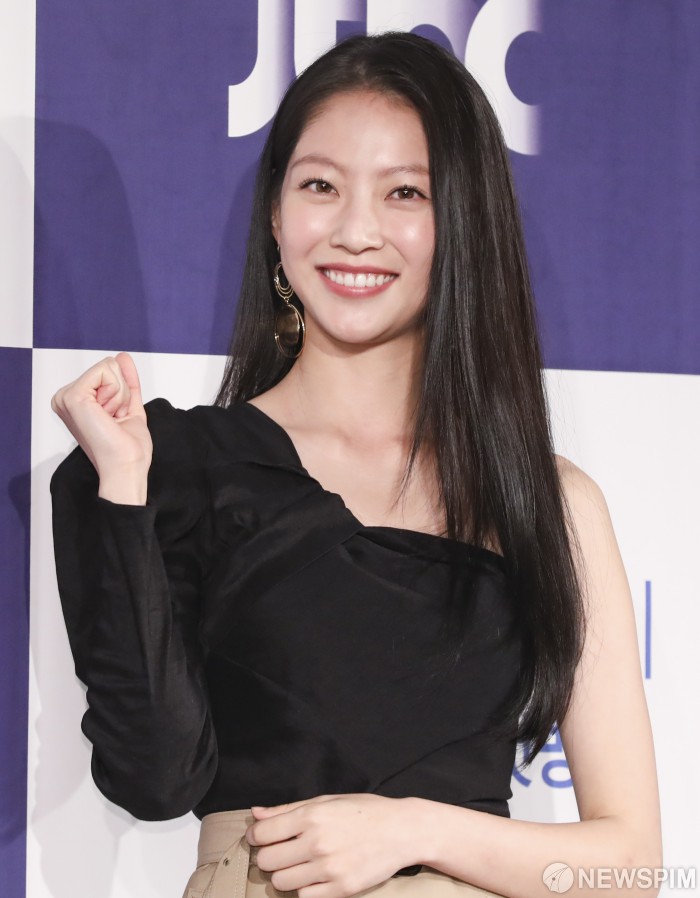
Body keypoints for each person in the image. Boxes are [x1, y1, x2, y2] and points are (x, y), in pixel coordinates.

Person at [50, 31, 661, 898]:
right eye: (320, 186)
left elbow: (629, 865)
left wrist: (414, 828)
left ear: (462, 222)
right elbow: (155, 780)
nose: (356, 231)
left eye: (405, 192)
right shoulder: (168, 466)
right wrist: (121, 490)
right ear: (275, 214)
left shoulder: (545, 502)